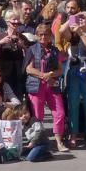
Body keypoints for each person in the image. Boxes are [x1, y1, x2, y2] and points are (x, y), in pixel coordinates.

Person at [24, 24, 68, 152]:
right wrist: (43, 75)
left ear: (50, 36)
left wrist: (51, 75)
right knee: (38, 115)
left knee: (59, 113)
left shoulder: (55, 50)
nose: (43, 37)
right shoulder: (32, 49)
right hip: (36, 85)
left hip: (51, 85)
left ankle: (59, 142)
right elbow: (28, 69)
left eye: (46, 34)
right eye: (40, 35)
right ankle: (39, 141)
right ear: (37, 36)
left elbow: (60, 70)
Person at [63, 12, 86, 149]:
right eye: (80, 18)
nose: (81, 20)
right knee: (73, 103)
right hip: (74, 71)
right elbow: (61, 31)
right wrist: (72, 16)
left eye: (84, 18)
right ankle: (73, 134)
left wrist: (81, 32)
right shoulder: (73, 36)